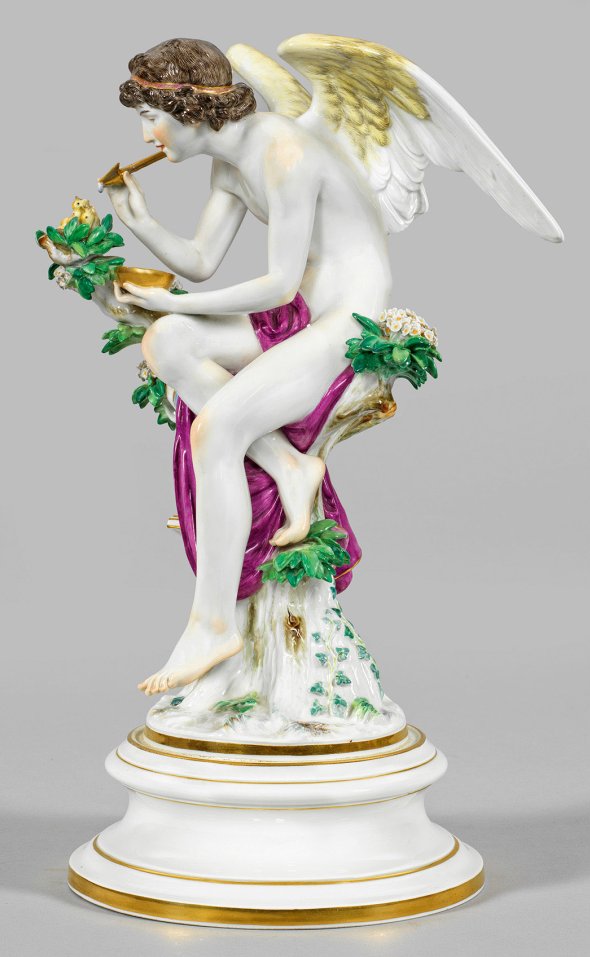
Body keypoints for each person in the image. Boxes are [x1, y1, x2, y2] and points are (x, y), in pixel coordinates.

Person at [108, 38, 396, 695]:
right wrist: (141, 221)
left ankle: (213, 623)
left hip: (342, 319)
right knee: (167, 342)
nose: (147, 135)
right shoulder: (231, 160)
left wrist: (173, 301)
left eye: (152, 117)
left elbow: (277, 284)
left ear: (190, 109)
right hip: (303, 313)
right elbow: (202, 259)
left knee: (216, 430)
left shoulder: (283, 151)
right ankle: (290, 466)